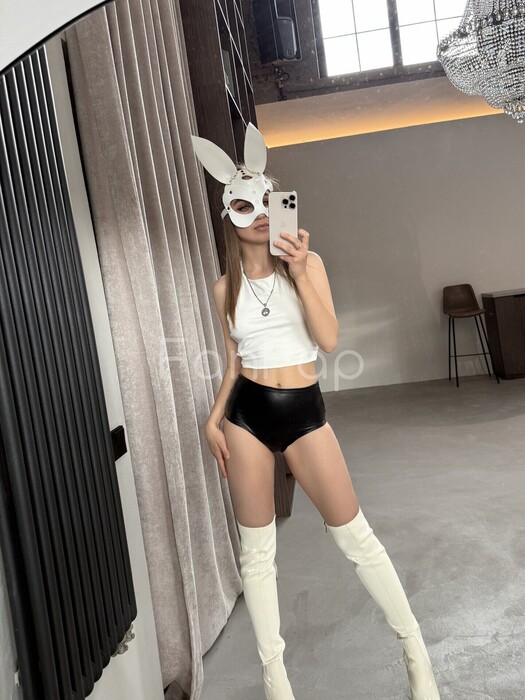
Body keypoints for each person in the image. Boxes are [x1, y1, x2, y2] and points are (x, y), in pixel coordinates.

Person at [192, 124, 440, 700]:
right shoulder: (224, 288)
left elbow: (328, 340)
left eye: (266, 199)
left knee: (357, 538)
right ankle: (276, 681)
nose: (259, 212)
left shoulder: (309, 265)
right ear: (228, 216)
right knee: (257, 555)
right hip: (246, 416)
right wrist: (212, 417)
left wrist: (301, 271)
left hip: (304, 410)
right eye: (243, 204)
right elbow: (233, 362)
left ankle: (414, 651)